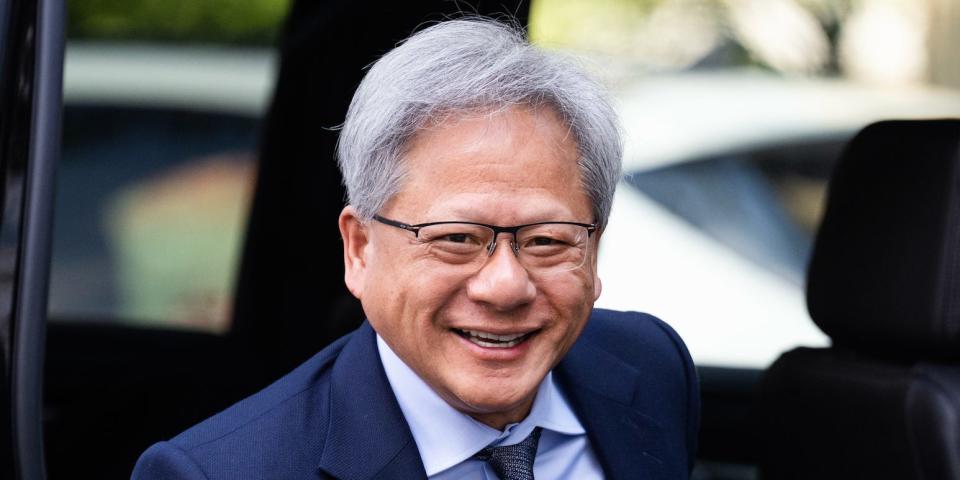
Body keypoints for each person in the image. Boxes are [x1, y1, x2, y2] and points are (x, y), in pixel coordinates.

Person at [133, 18, 699, 480]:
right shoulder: (222, 472)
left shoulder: (650, 368)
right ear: (359, 249)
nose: (504, 286)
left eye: (547, 240)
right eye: (456, 238)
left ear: (593, 251)